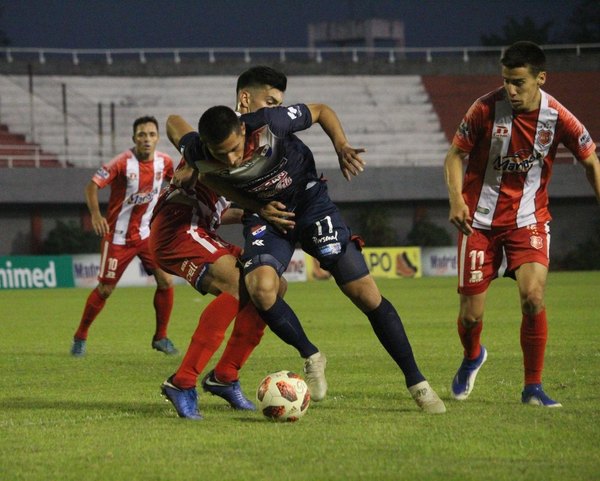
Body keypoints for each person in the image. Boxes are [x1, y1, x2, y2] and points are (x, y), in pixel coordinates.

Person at [168, 100, 446, 414]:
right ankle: (312, 355)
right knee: (260, 287)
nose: (230, 159)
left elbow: (322, 111)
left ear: (243, 129)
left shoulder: (270, 123)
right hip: (268, 217)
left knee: (365, 295)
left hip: (311, 204)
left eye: (234, 149)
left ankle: (418, 383)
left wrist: (342, 146)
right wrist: (253, 205)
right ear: (206, 146)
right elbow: (176, 126)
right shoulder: (199, 151)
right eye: (221, 153)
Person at [443, 41, 600, 407]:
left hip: (528, 219)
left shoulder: (558, 116)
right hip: (477, 223)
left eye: (519, 82)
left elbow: (591, 161)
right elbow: (455, 156)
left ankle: (533, 387)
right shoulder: (484, 108)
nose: (511, 90)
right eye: (506, 81)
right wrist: (456, 200)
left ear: (540, 78)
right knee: (470, 316)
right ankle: (472, 356)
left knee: (533, 297)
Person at [155, 66, 291, 419]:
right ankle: (181, 382)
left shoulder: (258, 143)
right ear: (246, 100)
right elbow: (172, 121)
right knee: (236, 283)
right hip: (176, 226)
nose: (274, 109)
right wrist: (192, 161)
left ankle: (225, 376)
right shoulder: (221, 128)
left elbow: (221, 207)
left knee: (272, 286)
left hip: (201, 227)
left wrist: (257, 212)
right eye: (270, 101)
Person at [70, 116, 178, 357]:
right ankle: (80, 336)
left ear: (158, 138)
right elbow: (91, 186)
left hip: (146, 235)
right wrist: (96, 215)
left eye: (151, 134)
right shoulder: (121, 163)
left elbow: (176, 183)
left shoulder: (166, 162)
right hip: (118, 237)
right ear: (134, 139)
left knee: (166, 281)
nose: (147, 139)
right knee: (106, 290)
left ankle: (161, 337)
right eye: (141, 135)